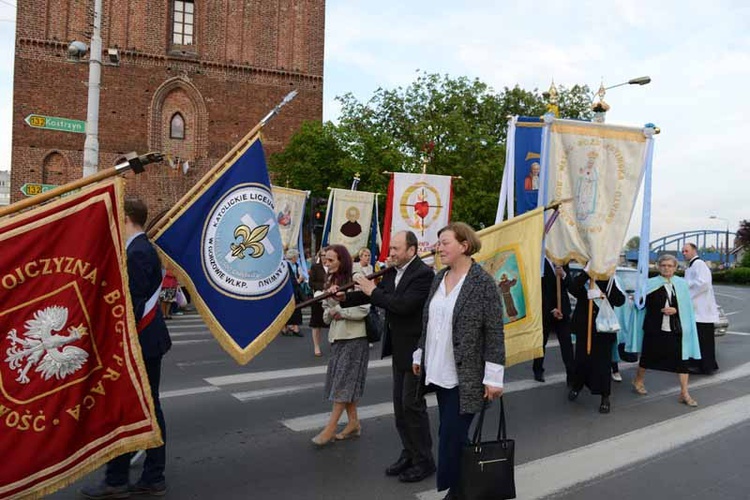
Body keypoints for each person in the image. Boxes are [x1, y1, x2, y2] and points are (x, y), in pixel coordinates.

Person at [81, 198, 171, 498]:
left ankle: (126, 478)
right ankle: (139, 475)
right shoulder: (140, 249)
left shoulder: (138, 252)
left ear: (127, 217)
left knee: (128, 408)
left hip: (140, 342)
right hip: (145, 341)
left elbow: (129, 304)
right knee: (139, 407)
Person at [412, 222, 505, 500]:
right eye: (439, 243)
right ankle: (469, 487)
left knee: (451, 437)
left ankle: (458, 493)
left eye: (445, 242)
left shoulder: (483, 283)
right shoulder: (439, 278)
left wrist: (493, 377)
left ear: (464, 246)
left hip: (466, 377)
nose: (439, 248)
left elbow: (494, 332)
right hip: (438, 371)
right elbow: (428, 321)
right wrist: (420, 354)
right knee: (452, 435)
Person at [342, 231, 436, 483]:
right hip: (399, 349)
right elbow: (370, 293)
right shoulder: (392, 272)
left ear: (412, 250)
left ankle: (424, 461)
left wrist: (372, 291)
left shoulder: (423, 275)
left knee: (412, 407)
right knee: (400, 408)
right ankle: (409, 452)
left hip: (417, 351)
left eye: (395, 248)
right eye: (390, 248)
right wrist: (343, 298)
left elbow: (402, 305)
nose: (390, 253)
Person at [312, 245, 370, 446]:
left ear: (342, 260)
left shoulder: (357, 277)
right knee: (344, 382)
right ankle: (353, 423)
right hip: (338, 338)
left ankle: (330, 428)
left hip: (355, 338)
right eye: (325, 260)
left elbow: (365, 308)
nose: (326, 264)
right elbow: (326, 316)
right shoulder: (331, 280)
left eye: (330, 260)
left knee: (342, 384)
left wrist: (340, 310)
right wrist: (332, 309)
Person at [632, 254, 701, 407]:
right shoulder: (649, 283)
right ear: (658, 266)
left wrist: (676, 309)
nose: (667, 268)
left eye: (670, 266)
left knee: (682, 361)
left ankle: (684, 393)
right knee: (647, 357)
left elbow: (687, 308)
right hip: (654, 327)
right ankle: (638, 380)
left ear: (675, 268)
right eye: (663, 265)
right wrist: (637, 298)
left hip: (676, 328)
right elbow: (641, 305)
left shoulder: (682, 284)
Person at [567, 268, 625, 414]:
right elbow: (572, 288)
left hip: (603, 330)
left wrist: (603, 295)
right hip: (584, 328)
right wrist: (587, 273)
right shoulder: (585, 278)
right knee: (581, 361)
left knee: (603, 365)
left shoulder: (609, 279)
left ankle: (605, 397)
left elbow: (620, 301)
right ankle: (577, 386)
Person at [533, 259, 574, 384]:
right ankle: (538, 370)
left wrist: (564, 275)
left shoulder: (563, 261)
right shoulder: (539, 260)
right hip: (546, 310)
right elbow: (538, 289)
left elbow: (570, 286)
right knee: (541, 342)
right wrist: (551, 309)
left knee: (567, 343)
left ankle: (571, 375)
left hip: (563, 311)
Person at [682, 243, 719, 374]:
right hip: (697, 310)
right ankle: (702, 365)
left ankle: (705, 366)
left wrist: (687, 292)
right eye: (683, 251)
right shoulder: (692, 265)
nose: (684, 253)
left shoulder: (699, 264)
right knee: (699, 340)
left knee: (703, 340)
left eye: (686, 251)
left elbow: (703, 283)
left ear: (694, 251)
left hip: (702, 311)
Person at [309, 248, 328, 357]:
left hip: (331, 297)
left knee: (332, 321)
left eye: (326, 255)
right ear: (319, 256)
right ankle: (317, 346)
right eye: (323, 255)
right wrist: (322, 287)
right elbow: (311, 283)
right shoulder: (315, 267)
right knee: (316, 323)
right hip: (318, 297)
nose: (325, 257)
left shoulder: (333, 267)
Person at [283, 248, 304, 337]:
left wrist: (300, 279)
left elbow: (300, 275)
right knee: (287, 308)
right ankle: (285, 327)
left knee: (296, 308)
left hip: (295, 288)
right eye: (297, 256)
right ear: (293, 257)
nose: (298, 258)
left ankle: (294, 327)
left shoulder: (296, 265)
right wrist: (297, 281)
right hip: (288, 290)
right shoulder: (285, 265)